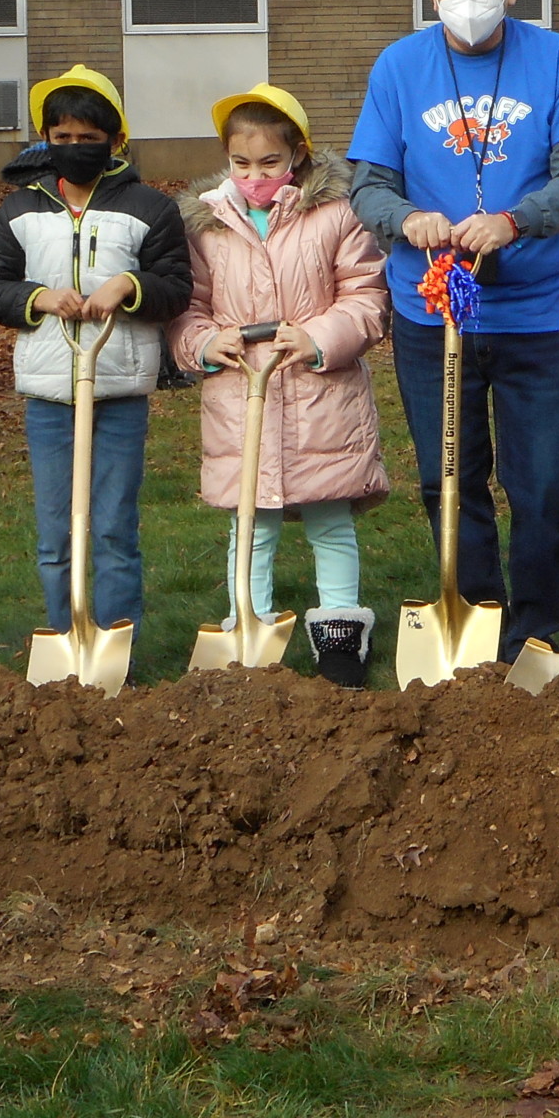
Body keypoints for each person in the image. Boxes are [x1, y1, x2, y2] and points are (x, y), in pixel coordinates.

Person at [348, 0, 559, 659]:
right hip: (434, 318)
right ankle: (475, 618)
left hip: (534, 316)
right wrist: (406, 219)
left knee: (541, 485)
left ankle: (536, 633)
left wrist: (513, 221)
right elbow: (367, 183)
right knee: (450, 481)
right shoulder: (399, 67)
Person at [169, 84, 390, 687]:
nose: (255, 176)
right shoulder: (207, 223)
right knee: (251, 521)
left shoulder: (336, 214)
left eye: (269, 162)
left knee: (329, 517)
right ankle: (248, 621)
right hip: (243, 397)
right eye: (242, 164)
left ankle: (340, 635)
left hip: (322, 398)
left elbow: (366, 297)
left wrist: (319, 337)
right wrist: (203, 343)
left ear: (298, 154)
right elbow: (190, 306)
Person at [0, 65, 191, 645]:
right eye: (60, 138)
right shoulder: (21, 209)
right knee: (55, 535)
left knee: (115, 529)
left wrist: (128, 286)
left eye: (87, 139)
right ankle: (66, 640)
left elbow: (176, 287)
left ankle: (120, 649)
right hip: (49, 392)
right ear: (44, 138)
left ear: (116, 141)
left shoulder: (150, 208)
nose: (72, 149)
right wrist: (38, 297)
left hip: (119, 389)